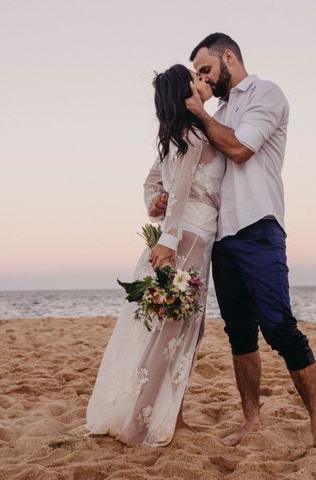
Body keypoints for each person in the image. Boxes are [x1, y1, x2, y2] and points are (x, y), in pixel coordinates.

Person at [149, 33, 316, 457]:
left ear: (229, 57)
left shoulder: (266, 94)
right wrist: (163, 194)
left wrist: (200, 113)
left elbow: (239, 148)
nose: (201, 78)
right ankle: (251, 419)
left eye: (205, 69)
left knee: (279, 326)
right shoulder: (217, 111)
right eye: (197, 73)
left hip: (260, 227)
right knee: (240, 334)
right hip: (222, 238)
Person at [86, 64, 225, 446]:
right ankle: (138, 423)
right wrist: (166, 232)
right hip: (188, 241)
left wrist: (154, 202)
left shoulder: (179, 136)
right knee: (172, 332)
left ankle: (168, 415)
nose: (202, 82)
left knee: (178, 332)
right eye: (195, 79)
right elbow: (177, 191)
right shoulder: (193, 135)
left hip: (182, 237)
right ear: (184, 93)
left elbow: (152, 183)